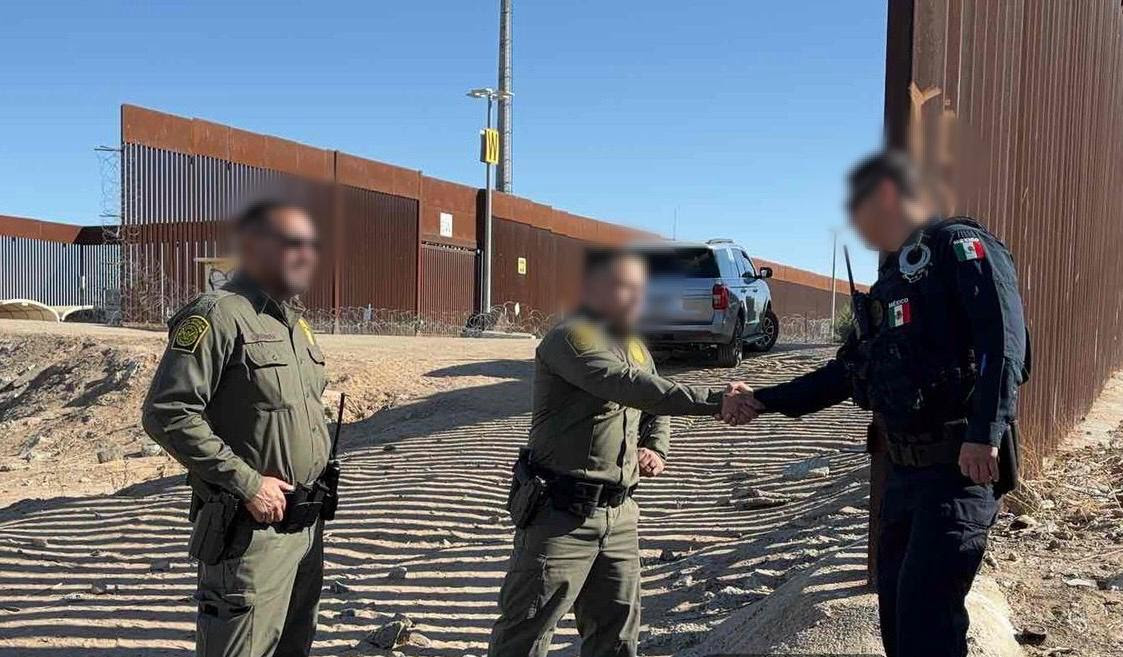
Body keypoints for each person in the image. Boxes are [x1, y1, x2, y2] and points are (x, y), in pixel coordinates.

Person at [736, 150, 1029, 657]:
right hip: (906, 474)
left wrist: (984, 432)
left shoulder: (960, 247)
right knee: (896, 614)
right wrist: (763, 398)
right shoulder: (895, 277)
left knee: (927, 619)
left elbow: (1002, 343)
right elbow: (848, 371)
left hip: (958, 469)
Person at [488, 248, 754, 657]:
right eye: (620, 287)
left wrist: (656, 447)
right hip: (561, 515)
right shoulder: (572, 337)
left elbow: (654, 404)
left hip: (620, 516)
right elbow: (628, 385)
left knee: (616, 637)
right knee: (525, 634)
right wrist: (716, 400)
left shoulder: (633, 344)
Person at [142, 200, 332, 657]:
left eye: (312, 244)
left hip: (305, 527)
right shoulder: (218, 314)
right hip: (252, 531)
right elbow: (168, 412)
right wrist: (247, 483)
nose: (307, 254)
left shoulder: (296, 325)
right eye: (293, 243)